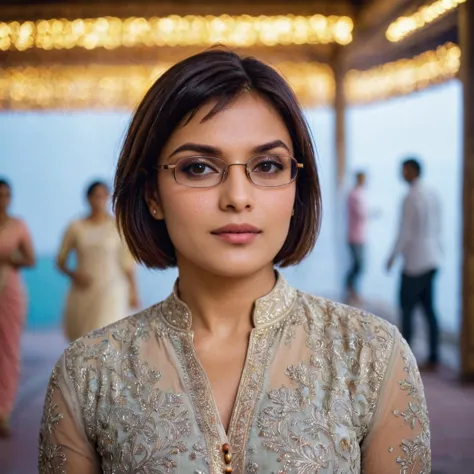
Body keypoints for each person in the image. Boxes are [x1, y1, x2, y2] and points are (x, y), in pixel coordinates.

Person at [39, 50, 431, 473]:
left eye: (267, 165)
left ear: (297, 189)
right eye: (199, 168)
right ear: (152, 195)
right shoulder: (88, 375)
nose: (238, 197)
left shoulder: (371, 356)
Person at [56, 180, 140, 342]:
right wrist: (74, 275)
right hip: (84, 289)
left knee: (109, 337)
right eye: (96, 196)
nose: (100, 200)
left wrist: (134, 291)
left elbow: (127, 262)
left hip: (112, 289)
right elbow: (61, 261)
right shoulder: (76, 227)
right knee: (84, 340)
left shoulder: (118, 225)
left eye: (103, 196)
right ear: (88, 198)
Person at [387, 158, 442, 371]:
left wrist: (392, 256)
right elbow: (438, 226)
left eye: (404, 170)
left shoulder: (410, 197)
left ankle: (405, 358)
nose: (401, 174)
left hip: (416, 261)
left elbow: (405, 232)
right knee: (429, 309)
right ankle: (434, 355)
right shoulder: (432, 193)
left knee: (407, 308)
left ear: (412, 171)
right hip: (433, 256)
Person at [0, 178, 35, 437]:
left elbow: (30, 259)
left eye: (6, 194)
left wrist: (10, 257)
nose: (3, 199)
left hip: (8, 291)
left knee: (8, 350)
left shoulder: (18, 225)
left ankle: (3, 411)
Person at [345, 171, 368, 304]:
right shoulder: (354, 195)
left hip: (360, 235)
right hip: (354, 236)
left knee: (359, 265)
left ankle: (353, 290)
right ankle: (351, 289)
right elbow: (361, 214)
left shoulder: (359, 194)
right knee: (358, 265)